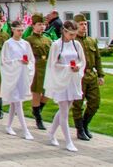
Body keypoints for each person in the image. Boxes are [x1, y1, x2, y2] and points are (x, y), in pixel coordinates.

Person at [44, 20, 85, 152]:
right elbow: (52, 64)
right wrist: (67, 68)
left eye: (75, 34)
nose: (73, 36)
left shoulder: (77, 44)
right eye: (71, 34)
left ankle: (51, 133)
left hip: (72, 80)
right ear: (64, 31)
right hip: (60, 80)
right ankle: (68, 141)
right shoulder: (56, 45)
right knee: (64, 110)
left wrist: (78, 67)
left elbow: (82, 60)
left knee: (66, 107)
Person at [71, 14, 104, 141]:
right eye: (81, 24)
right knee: (78, 104)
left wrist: (101, 74)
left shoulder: (91, 41)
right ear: (76, 26)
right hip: (78, 76)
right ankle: (79, 129)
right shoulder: (73, 42)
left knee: (95, 102)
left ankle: (85, 124)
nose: (84, 27)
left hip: (91, 74)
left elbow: (97, 59)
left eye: (85, 24)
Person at [0, 20, 35, 140]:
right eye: (18, 30)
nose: (20, 32)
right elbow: (4, 61)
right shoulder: (8, 44)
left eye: (22, 30)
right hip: (12, 76)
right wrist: (17, 62)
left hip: (22, 76)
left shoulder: (26, 44)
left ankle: (9, 126)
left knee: (15, 101)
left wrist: (26, 63)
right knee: (17, 101)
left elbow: (31, 60)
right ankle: (25, 130)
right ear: (12, 30)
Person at [26, 13, 52, 130]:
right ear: (33, 26)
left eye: (43, 24)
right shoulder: (29, 40)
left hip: (47, 68)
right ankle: (38, 118)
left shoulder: (47, 39)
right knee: (37, 93)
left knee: (48, 93)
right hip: (36, 68)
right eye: (39, 24)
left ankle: (38, 110)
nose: (42, 27)